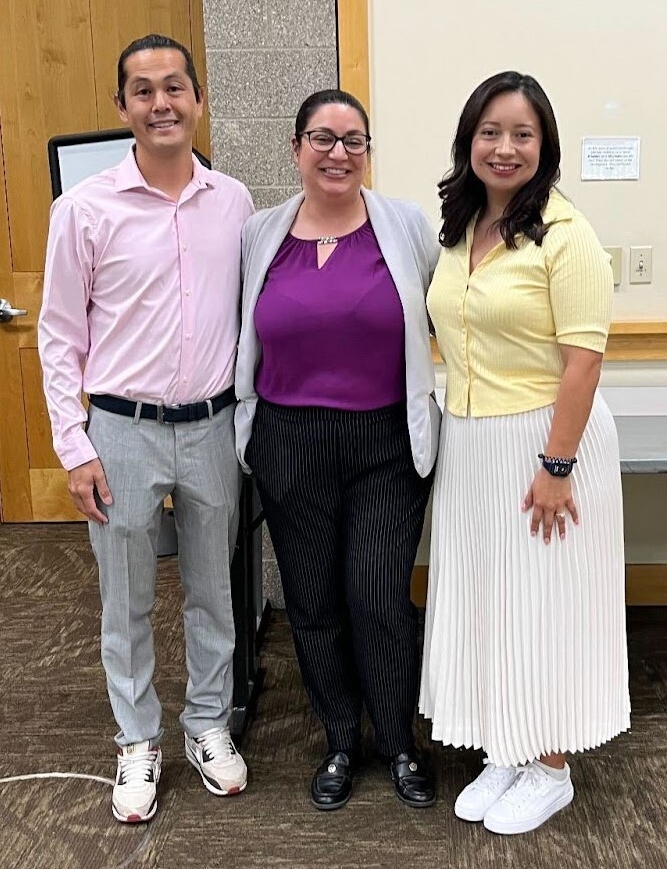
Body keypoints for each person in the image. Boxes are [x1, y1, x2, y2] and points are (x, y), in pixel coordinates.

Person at [38, 34, 254, 824]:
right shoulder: (84, 208)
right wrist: (74, 445)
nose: (160, 102)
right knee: (124, 598)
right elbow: (59, 334)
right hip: (120, 432)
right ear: (121, 106)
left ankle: (206, 723)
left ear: (197, 99)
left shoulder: (232, 201)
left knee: (213, 592)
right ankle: (136, 737)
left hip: (211, 426)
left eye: (174, 87)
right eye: (142, 90)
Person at [419, 71, 631, 835]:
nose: (503, 147)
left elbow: (584, 361)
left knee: (544, 601)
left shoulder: (565, 235)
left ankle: (549, 766)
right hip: (471, 437)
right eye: (489, 132)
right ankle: (505, 744)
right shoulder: (460, 225)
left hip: (544, 441)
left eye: (521, 134)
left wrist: (556, 465)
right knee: (491, 595)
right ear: (468, 141)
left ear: (543, 147)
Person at [235, 89, 441, 810]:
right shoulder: (257, 234)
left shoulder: (406, 226)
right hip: (288, 440)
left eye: (354, 140)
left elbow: (457, 313)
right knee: (313, 600)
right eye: (322, 138)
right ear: (294, 149)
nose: (338, 153)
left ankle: (398, 741)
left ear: (367, 153)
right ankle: (338, 740)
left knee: (378, 594)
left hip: (382, 441)